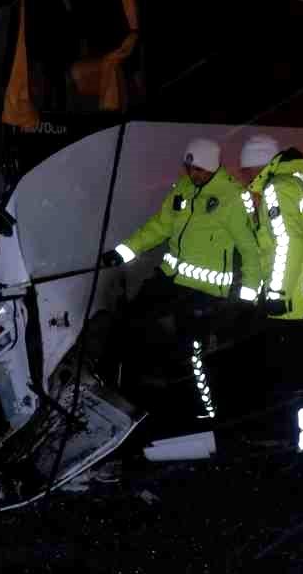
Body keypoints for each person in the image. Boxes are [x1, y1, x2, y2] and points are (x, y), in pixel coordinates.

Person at [99, 138, 265, 421]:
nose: (192, 174)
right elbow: (159, 227)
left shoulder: (232, 198)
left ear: (212, 167)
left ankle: (205, 413)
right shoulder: (184, 190)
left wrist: (248, 297)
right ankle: (126, 394)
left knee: (194, 352)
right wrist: (122, 252)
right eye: (189, 168)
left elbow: (251, 250)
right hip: (169, 279)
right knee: (132, 321)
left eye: (198, 169)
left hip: (206, 290)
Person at [236, 134, 303, 452]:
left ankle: (292, 443)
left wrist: (277, 292)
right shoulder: (302, 183)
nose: (243, 176)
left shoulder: (276, 187)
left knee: (289, 376)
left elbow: (286, 242)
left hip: (294, 300)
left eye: (245, 170)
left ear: (257, 165)